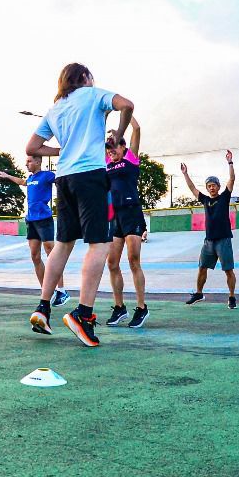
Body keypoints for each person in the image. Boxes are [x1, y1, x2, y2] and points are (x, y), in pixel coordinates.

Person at [26, 63, 134, 347]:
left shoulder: (56, 108)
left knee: (63, 243)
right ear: (84, 78)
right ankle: (83, 315)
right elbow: (127, 105)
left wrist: (63, 149)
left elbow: (32, 147)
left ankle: (43, 307)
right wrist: (118, 133)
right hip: (90, 175)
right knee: (99, 244)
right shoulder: (93, 94)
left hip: (65, 178)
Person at [0, 157, 69, 306]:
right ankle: (47, 291)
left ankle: (61, 291)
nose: (26, 164)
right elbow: (22, 182)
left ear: (38, 162)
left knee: (52, 254)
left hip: (44, 219)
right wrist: (7, 176)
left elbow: (61, 180)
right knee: (35, 256)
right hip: (31, 220)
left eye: (29, 161)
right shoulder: (30, 179)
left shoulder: (47, 175)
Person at [105, 117, 148, 328]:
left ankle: (141, 307)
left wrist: (124, 112)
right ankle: (119, 307)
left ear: (123, 147)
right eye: (108, 147)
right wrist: (104, 117)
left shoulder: (130, 159)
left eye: (114, 145)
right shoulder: (106, 164)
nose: (110, 149)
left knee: (133, 260)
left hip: (132, 213)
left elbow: (137, 128)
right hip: (115, 217)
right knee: (112, 263)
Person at [181, 150, 237, 309]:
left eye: (214, 185)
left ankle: (232, 297)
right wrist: (185, 174)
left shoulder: (224, 197)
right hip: (209, 241)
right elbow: (192, 188)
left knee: (228, 270)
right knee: (202, 268)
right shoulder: (205, 200)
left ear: (218, 187)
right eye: (209, 186)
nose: (212, 188)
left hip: (223, 239)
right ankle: (199, 293)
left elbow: (232, 179)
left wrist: (230, 162)